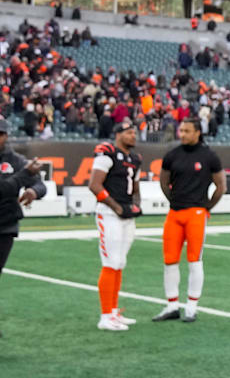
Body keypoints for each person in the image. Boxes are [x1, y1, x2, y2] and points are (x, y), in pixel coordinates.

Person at [153, 117, 226, 323]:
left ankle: (192, 307)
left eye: (186, 131)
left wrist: (205, 207)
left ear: (197, 133)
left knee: (194, 260)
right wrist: (174, 200)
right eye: (181, 130)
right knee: (170, 260)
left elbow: (220, 186)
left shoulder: (209, 156)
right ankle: (172, 305)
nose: (182, 134)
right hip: (175, 213)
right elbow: (163, 181)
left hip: (196, 214)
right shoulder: (172, 155)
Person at [87, 119, 144, 332]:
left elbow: (136, 187)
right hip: (109, 214)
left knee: (120, 263)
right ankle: (105, 316)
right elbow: (94, 184)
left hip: (126, 215)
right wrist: (117, 207)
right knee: (111, 262)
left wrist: (135, 206)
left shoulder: (135, 159)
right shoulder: (107, 153)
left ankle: (113, 312)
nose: (133, 136)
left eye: (135, 133)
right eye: (129, 132)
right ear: (118, 134)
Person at [0, 120, 46, 279]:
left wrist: (34, 191)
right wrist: (25, 174)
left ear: (6, 136)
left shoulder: (16, 160)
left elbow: (40, 185)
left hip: (5, 226)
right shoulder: (23, 167)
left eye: (0, 134)